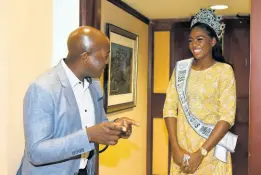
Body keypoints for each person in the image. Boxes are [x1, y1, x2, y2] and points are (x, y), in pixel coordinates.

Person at [16, 26, 140, 175]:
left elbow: (98, 126)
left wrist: (117, 126)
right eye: (104, 56)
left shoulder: (94, 85)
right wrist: (88, 136)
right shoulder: (43, 88)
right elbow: (36, 152)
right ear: (85, 58)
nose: (107, 62)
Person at [163, 9, 236, 175]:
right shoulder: (180, 69)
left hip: (211, 151)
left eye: (199, 39)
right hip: (182, 151)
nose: (194, 44)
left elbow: (227, 117)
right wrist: (175, 147)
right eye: (191, 40)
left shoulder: (224, 71)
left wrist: (201, 153)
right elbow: (169, 108)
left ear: (213, 41)